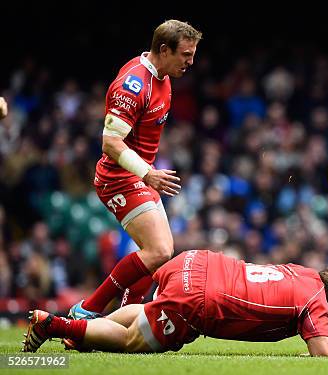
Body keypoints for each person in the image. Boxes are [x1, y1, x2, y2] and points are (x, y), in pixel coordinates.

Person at [69, 20, 202, 319]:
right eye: (185, 54)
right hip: (118, 179)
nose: (191, 62)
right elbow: (110, 143)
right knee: (159, 252)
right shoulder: (134, 85)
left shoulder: (163, 76)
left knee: (158, 255)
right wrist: (148, 174)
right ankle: (86, 310)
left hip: (139, 175)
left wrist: (146, 173)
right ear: (164, 50)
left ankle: (125, 317)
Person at [23, 249, 328, 356]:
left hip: (196, 260)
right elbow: (323, 352)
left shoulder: (305, 272)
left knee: (146, 314)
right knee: (132, 342)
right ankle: (56, 324)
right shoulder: (319, 299)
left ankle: (82, 331)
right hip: (199, 298)